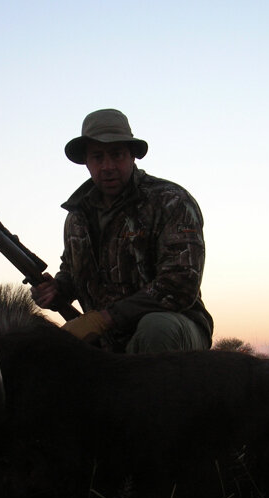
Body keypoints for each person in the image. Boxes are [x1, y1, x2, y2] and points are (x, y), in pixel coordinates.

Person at [31, 108, 213, 353]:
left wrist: (103, 319)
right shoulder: (77, 217)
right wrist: (56, 289)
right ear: (86, 161)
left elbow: (180, 284)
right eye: (97, 157)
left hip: (175, 327)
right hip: (107, 338)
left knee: (156, 328)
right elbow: (72, 272)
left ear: (132, 156)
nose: (107, 166)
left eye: (116, 155)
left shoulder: (171, 201)